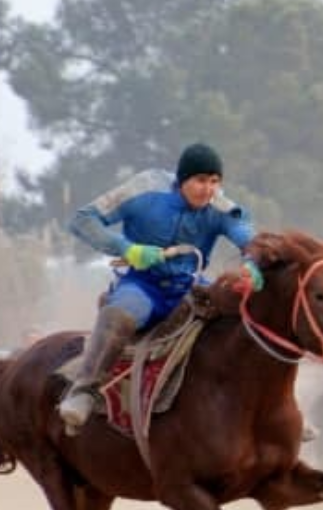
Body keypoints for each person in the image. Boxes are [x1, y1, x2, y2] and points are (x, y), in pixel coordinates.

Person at [58, 142, 258, 430]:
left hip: (192, 286)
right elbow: (82, 220)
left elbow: (248, 237)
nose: (209, 189)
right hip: (143, 285)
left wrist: (253, 262)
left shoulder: (221, 206)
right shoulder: (144, 190)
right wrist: (128, 249)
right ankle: (83, 391)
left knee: (245, 316)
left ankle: (269, 407)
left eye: (215, 181)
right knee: (118, 316)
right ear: (182, 179)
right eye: (201, 180)